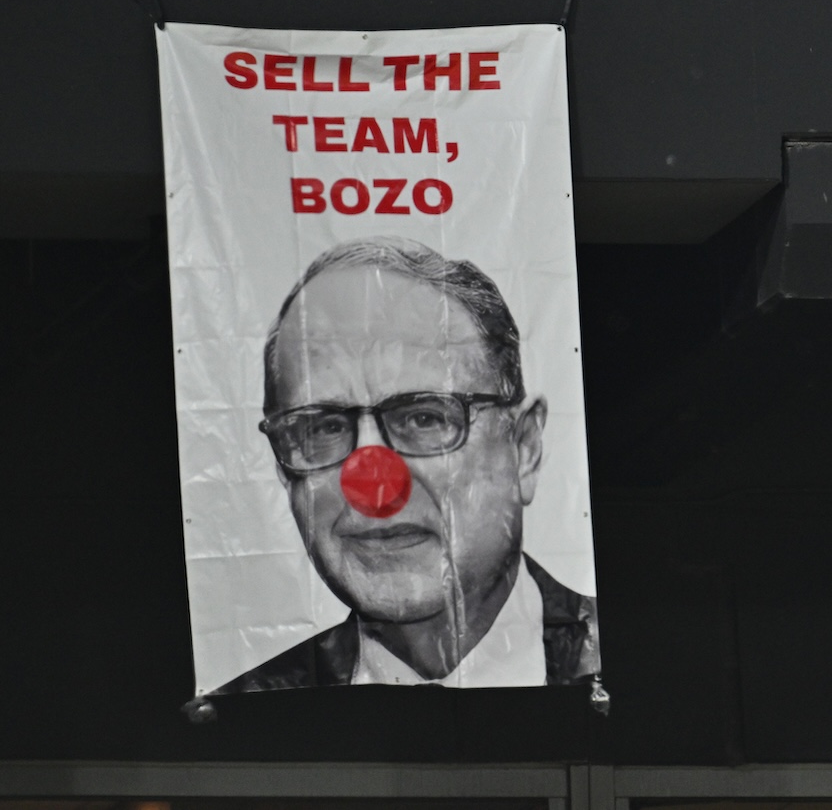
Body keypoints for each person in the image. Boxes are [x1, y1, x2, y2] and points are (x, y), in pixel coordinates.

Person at [216, 237, 599, 691]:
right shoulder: (251, 713)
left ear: (524, 449)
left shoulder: (650, 672)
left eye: (424, 418)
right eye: (323, 429)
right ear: (285, 471)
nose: (376, 485)